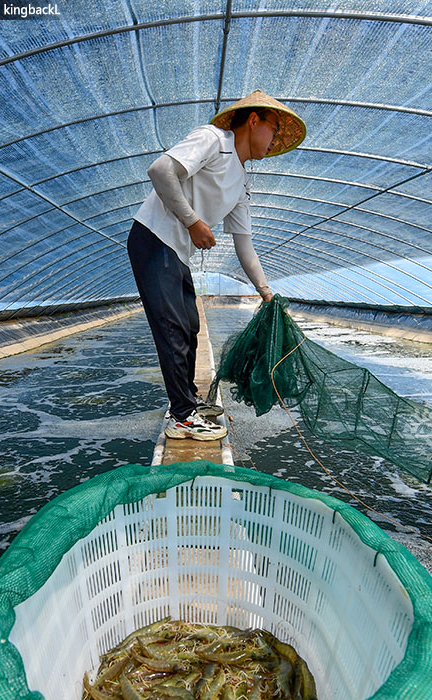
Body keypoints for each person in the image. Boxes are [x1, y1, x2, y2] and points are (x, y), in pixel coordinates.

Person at [127, 90, 307, 441]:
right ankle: (181, 418)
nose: (273, 141)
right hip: (152, 238)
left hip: (176, 252)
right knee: (173, 329)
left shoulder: (240, 182)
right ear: (253, 121)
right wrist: (193, 221)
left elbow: (244, 245)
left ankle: (189, 402)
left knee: (190, 327)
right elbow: (161, 170)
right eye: (273, 129)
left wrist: (266, 292)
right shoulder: (214, 140)